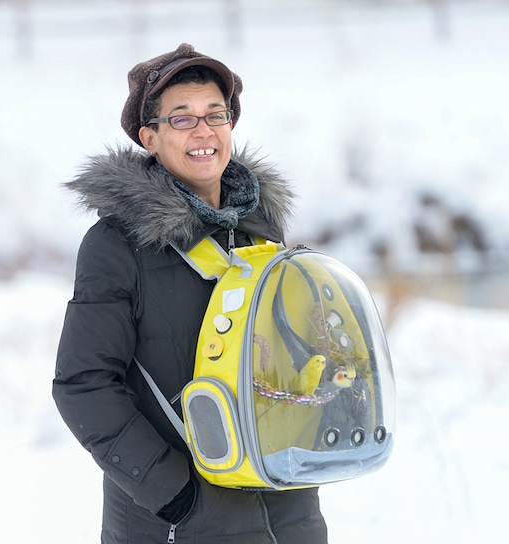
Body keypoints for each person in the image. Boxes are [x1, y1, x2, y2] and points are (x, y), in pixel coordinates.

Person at [52, 43, 329, 543]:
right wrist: (176, 497)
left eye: (215, 114)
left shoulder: (261, 232)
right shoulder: (117, 244)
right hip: (178, 522)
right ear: (150, 137)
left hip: (288, 510)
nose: (203, 131)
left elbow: (283, 364)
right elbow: (84, 385)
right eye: (182, 119)